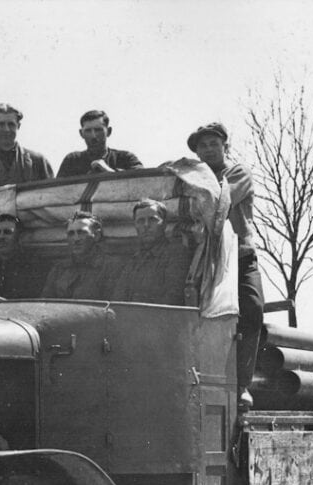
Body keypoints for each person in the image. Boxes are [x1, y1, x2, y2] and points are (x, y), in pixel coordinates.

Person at [187, 122, 263, 411]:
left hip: (239, 257)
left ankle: (242, 385)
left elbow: (219, 199)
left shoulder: (237, 172)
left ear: (225, 146)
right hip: (204, 257)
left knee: (253, 309)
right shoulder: (195, 177)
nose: (208, 149)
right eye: (202, 146)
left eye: (213, 144)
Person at [112, 199, 188, 305]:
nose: (146, 225)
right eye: (140, 221)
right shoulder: (134, 260)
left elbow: (172, 299)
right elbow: (118, 298)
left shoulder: (176, 255)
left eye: (152, 220)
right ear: (135, 226)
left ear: (164, 224)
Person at [41, 212, 112, 299]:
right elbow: (46, 303)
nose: (76, 239)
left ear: (96, 236)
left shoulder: (111, 268)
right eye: (71, 234)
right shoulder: (59, 269)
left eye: (82, 233)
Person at [56, 110, 143, 177]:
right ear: (81, 134)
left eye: (98, 130)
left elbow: (143, 182)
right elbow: (57, 192)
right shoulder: (72, 161)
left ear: (108, 131)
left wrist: (109, 172)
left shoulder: (126, 158)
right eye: (88, 131)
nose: (93, 136)